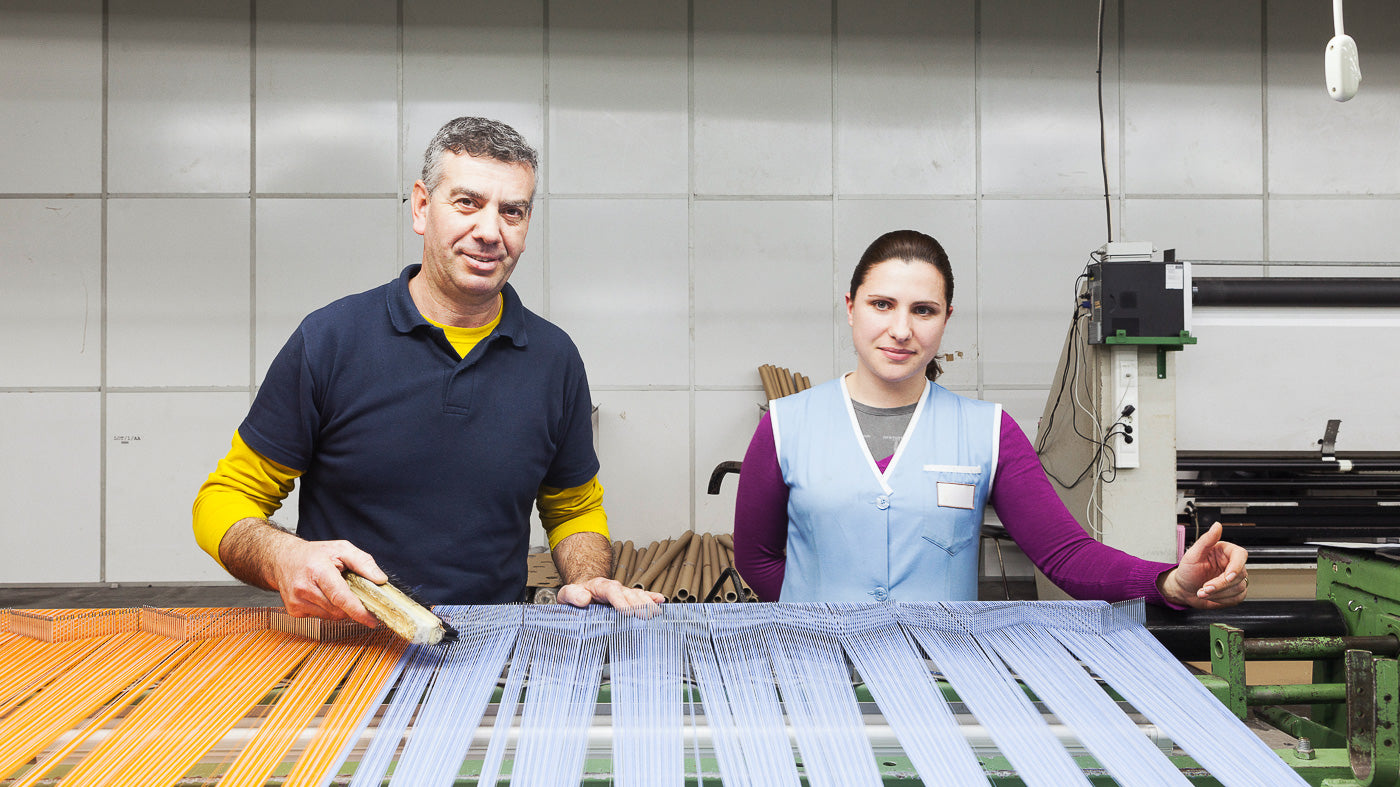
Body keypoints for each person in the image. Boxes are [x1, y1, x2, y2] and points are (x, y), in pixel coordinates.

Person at [193, 117, 663, 628]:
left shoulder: (554, 359)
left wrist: (586, 575)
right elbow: (224, 499)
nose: (489, 231)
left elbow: (574, 508)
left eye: (512, 212)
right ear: (421, 207)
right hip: (342, 656)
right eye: (467, 203)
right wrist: (284, 557)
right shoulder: (331, 340)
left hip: (487, 653)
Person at [733, 229, 1248, 608]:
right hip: (816, 669)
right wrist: (819, 609)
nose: (900, 329)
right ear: (851, 308)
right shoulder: (785, 425)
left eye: (923, 310)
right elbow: (755, 558)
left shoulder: (987, 432)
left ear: (946, 319)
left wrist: (1168, 582)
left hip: (944, 677)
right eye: (882, 304)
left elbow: (1066, 555)